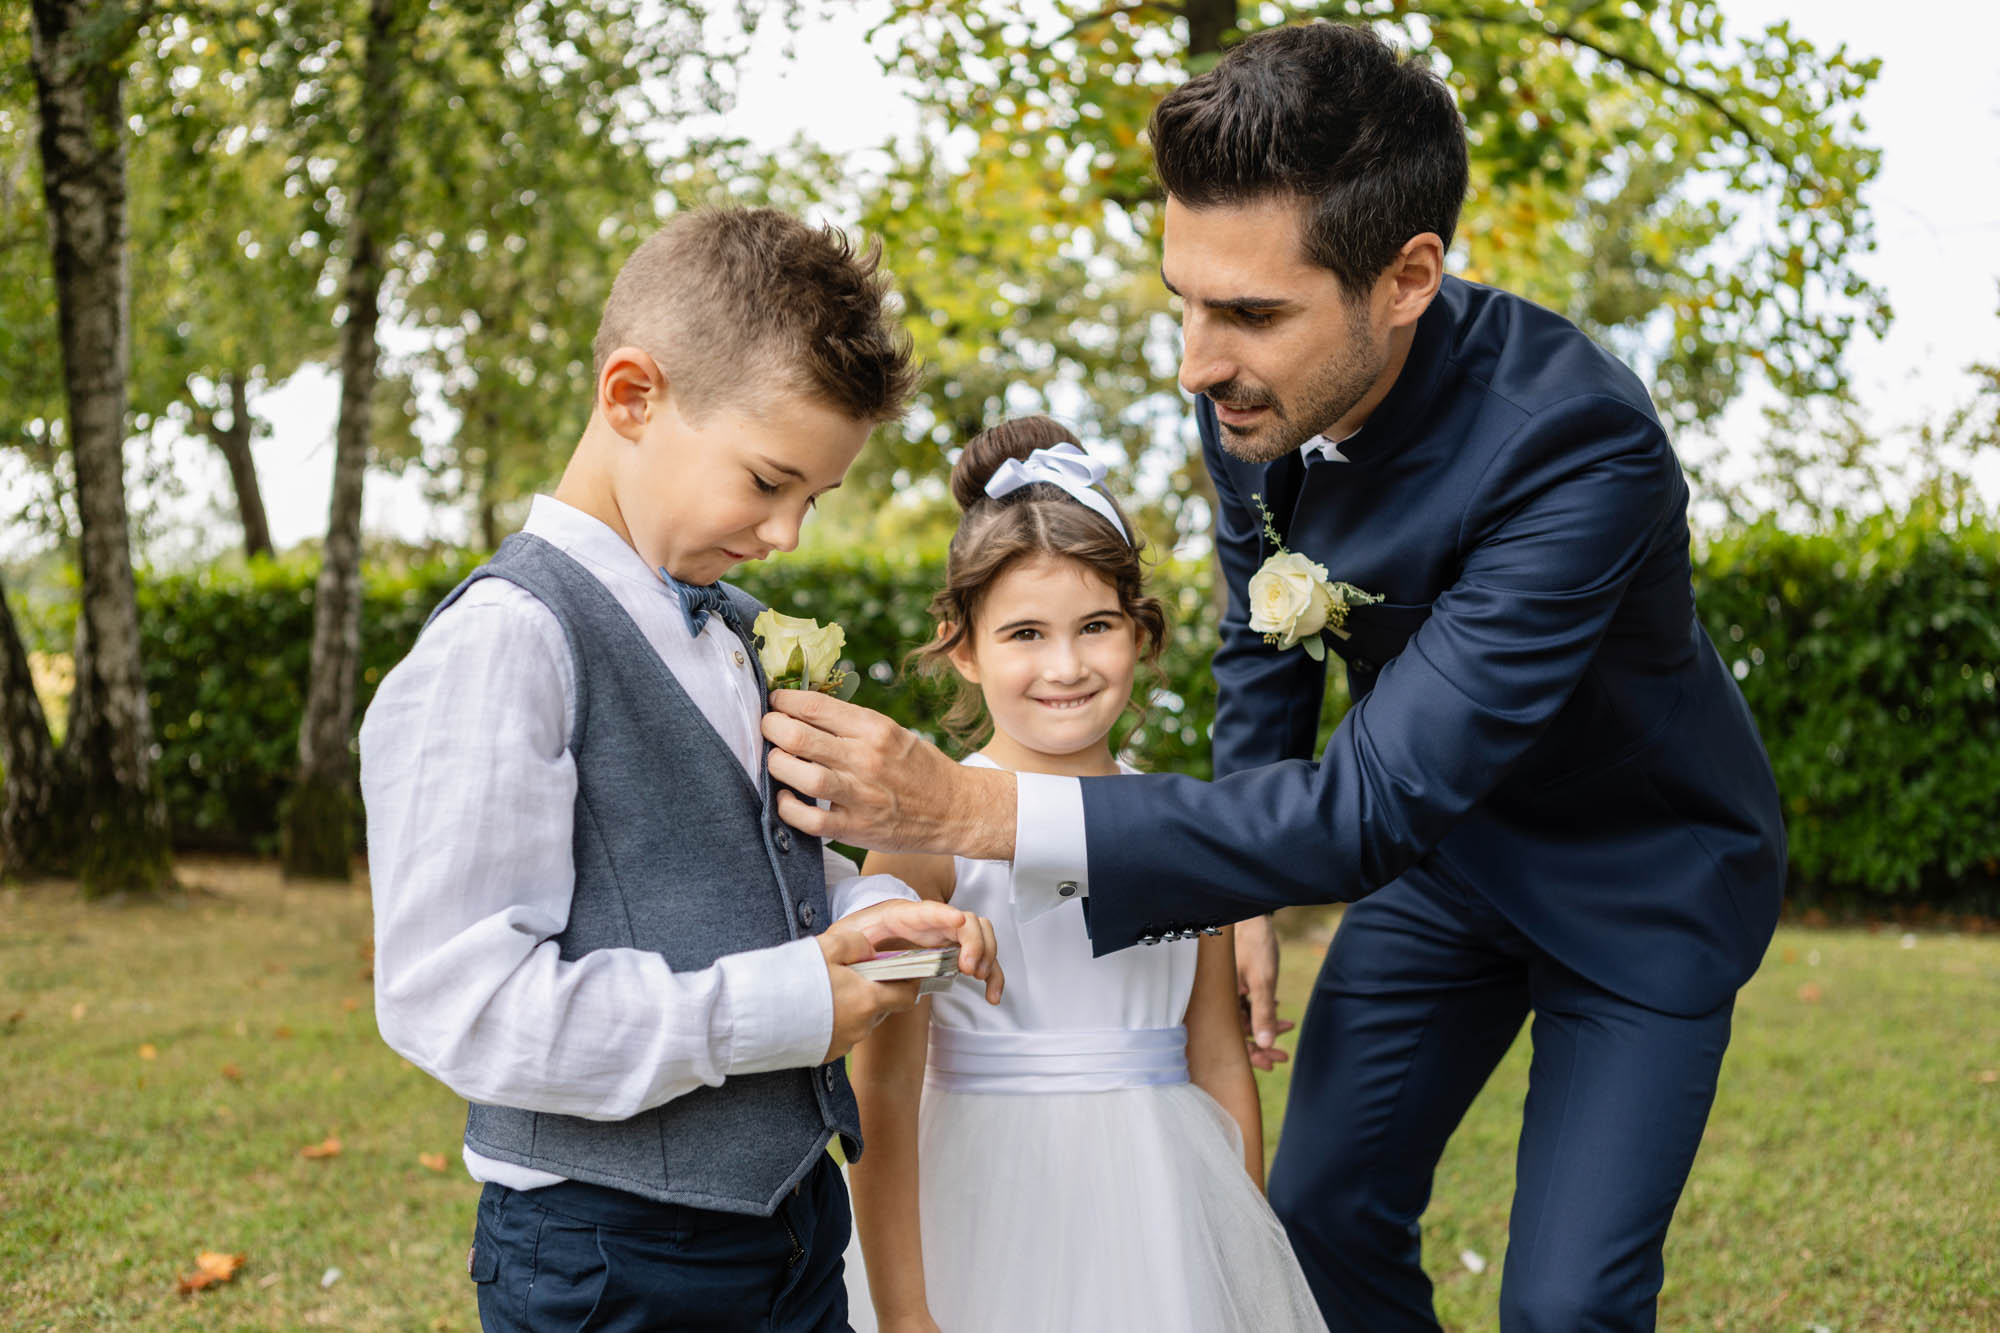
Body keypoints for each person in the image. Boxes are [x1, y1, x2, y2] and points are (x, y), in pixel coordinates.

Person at [762, 23, 1787, 1333]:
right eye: (1185, 297)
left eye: (1248, 312)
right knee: (1321, 1219)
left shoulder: (1578, 447)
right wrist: (1236, 888)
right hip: (1449, 873)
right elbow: (1263, 630)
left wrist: (968, 811)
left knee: (1563, 1309)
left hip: (1638, 880)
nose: (1197, 363)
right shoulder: (1252, 392)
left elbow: (1368, 806)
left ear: (1407, 276)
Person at [360, 206, 1003, 1333]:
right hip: (612, 1253)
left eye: (814, 496)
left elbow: (743, 867)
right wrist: (779, 1003)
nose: (790, 533)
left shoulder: (738, 626)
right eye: (766, 482)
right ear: (631, 397)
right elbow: (455, 1003)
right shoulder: (506, 643)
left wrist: (875, 912)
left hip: (798, 1218)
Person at [841, 416, 1327, 1333]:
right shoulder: (924, 837)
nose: (1064, 666)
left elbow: (1218, 1054)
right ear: (965, 647)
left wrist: (1239, 1261)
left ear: (1140, 635)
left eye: (1095, 625)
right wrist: (906, 1313)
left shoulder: (1188, 826)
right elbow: (886, 1086)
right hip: (979, 1207)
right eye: (1024, 631)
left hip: (1162, 1209)